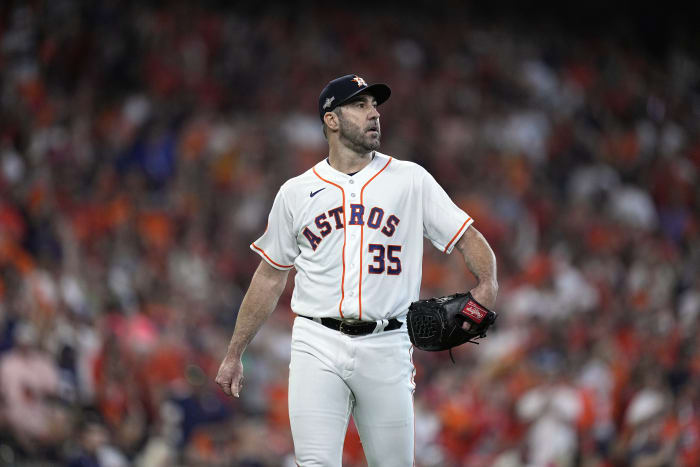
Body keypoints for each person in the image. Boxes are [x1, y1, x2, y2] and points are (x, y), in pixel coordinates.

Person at [216, 74, 498, 466]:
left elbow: (468, 237)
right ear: (332, 120)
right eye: (360, 105)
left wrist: (487, 284)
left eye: (375, 106)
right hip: (317, 340)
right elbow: (269, 275)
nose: (374, 114)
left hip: (388, 343)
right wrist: (234, 353)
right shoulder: (296, 192)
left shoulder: (410, 179)